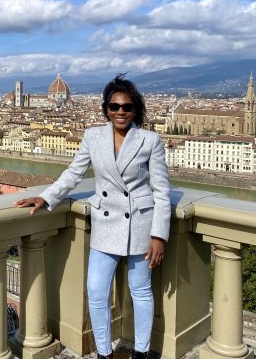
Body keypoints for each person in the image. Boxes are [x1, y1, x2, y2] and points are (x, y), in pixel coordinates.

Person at [14, 74, 170, 359]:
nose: (120, 111)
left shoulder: (150, 140)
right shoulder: (93, 136)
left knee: (141, 292)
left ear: (135, 109)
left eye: (126, 107)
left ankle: (142, 352)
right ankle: (103, 352)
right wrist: (47, 196)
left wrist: (159, 235)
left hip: (140, 224)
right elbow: (74, 173)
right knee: (96, 292)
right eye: (114, 106)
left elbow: (161, 191)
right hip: (107, 223)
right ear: (106, 109)